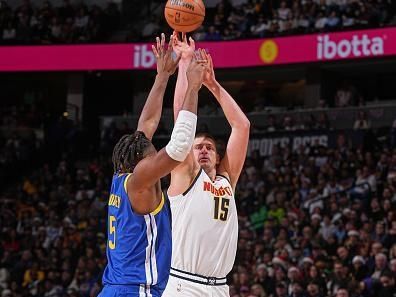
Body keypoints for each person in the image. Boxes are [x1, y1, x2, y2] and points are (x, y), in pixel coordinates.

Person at [98, 34, 208, 297]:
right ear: (143, 162)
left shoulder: (124, 176)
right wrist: (193, 88)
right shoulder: (140, 179)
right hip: (136, 292)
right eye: (153, 152)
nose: (156, 151)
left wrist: (163, 76)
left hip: (116, 289)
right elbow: (180, 146)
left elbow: (146, 124)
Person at [162, 33, 250, 297]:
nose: (202, 150)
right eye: (197, 146)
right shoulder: (186, 176)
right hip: (183, 284)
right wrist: (185, 63)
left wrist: (213, 85)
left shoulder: (226, 181)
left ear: (217, 157)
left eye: (209, 147)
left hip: (220, 287)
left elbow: (242, 126)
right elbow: (182, 120)